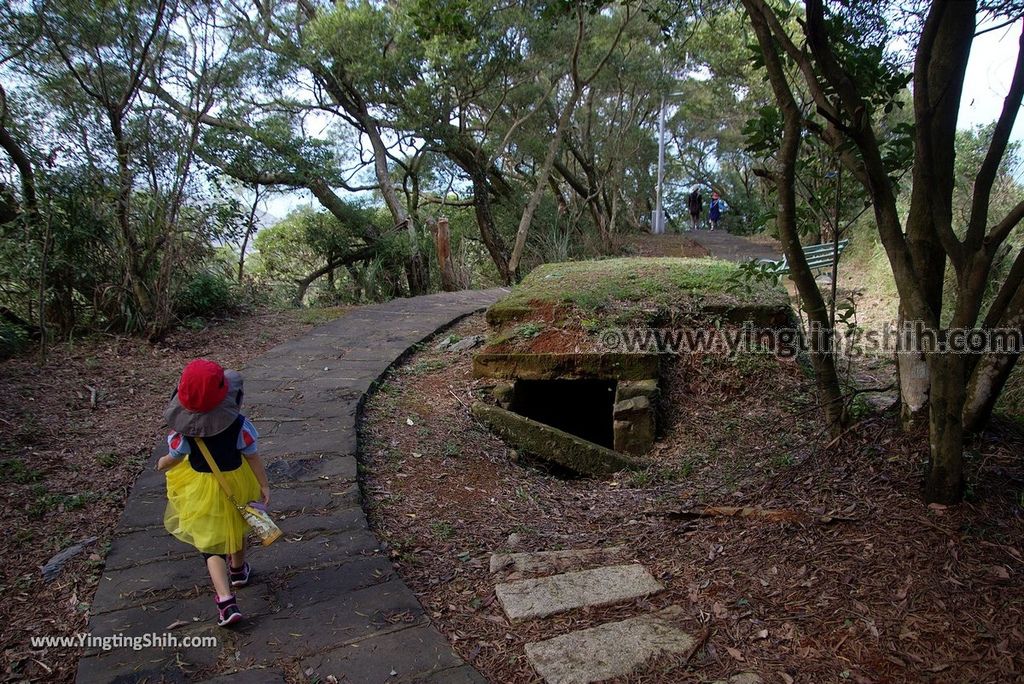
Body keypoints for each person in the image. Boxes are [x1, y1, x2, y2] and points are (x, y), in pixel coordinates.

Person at [156, 359, 271, 627]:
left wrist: (162, 463)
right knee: (238, 523)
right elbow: (253, 457)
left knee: (211, 544)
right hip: (237, 483)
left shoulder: (184, 434)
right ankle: (239, 570)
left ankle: (225, 601)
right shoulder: (240, 425)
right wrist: (263, 484)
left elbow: (173, 458)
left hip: (201, 489)